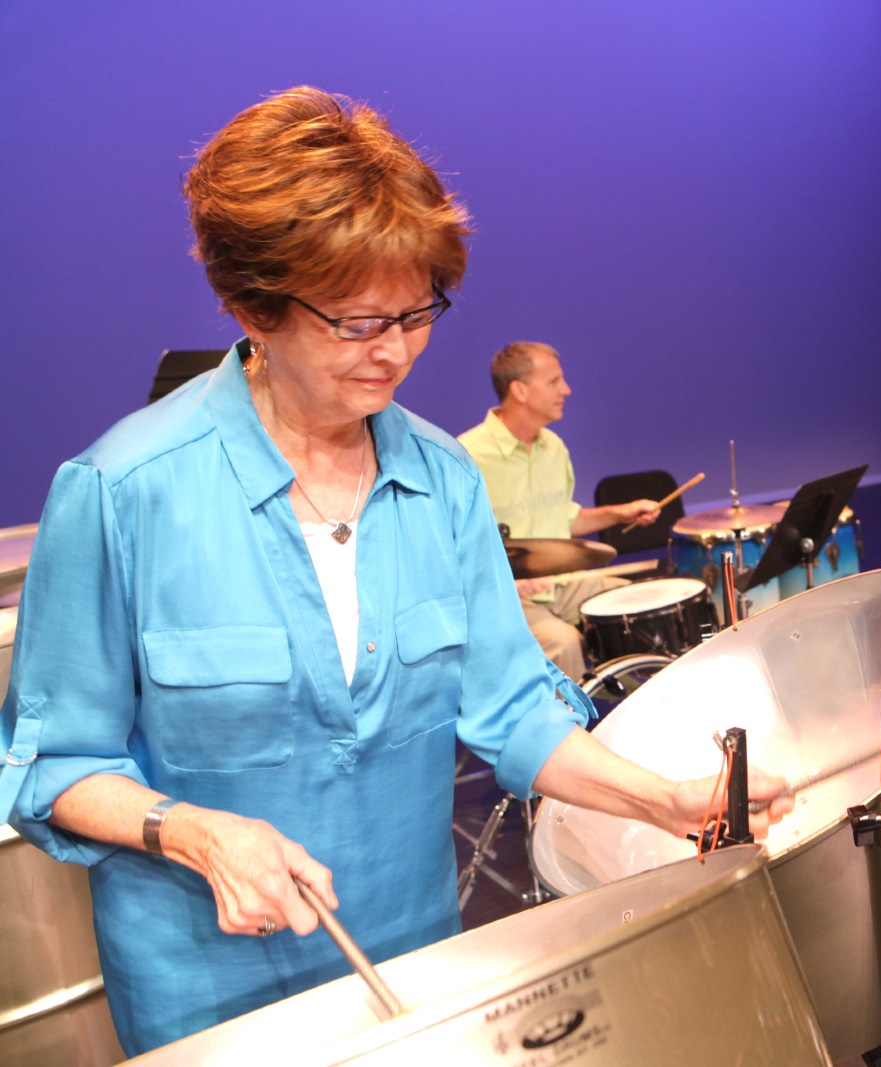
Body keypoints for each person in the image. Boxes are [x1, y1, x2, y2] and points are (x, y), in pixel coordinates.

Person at [0, 87, 788, 1057]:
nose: (395, 353)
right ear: (253, 305)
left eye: (416, 315)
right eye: (355, 322)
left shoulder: (442, 478)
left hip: (413, 966)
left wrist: (659, 798)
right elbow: (50, 764)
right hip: (209, 989)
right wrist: (199, 832)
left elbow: (511, 708)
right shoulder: (121, 490)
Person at [458, 341, 660, 680]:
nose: (565, 390)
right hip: (504, 597)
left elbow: (564, 520)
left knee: (639, 604)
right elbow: (450, 547)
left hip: (560, 584)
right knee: (563, 642)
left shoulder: (554, 447)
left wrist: (621, 513)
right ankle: (568, 730)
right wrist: (501, 580)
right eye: (554, 382)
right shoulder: (466, 456)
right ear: (520, 390)